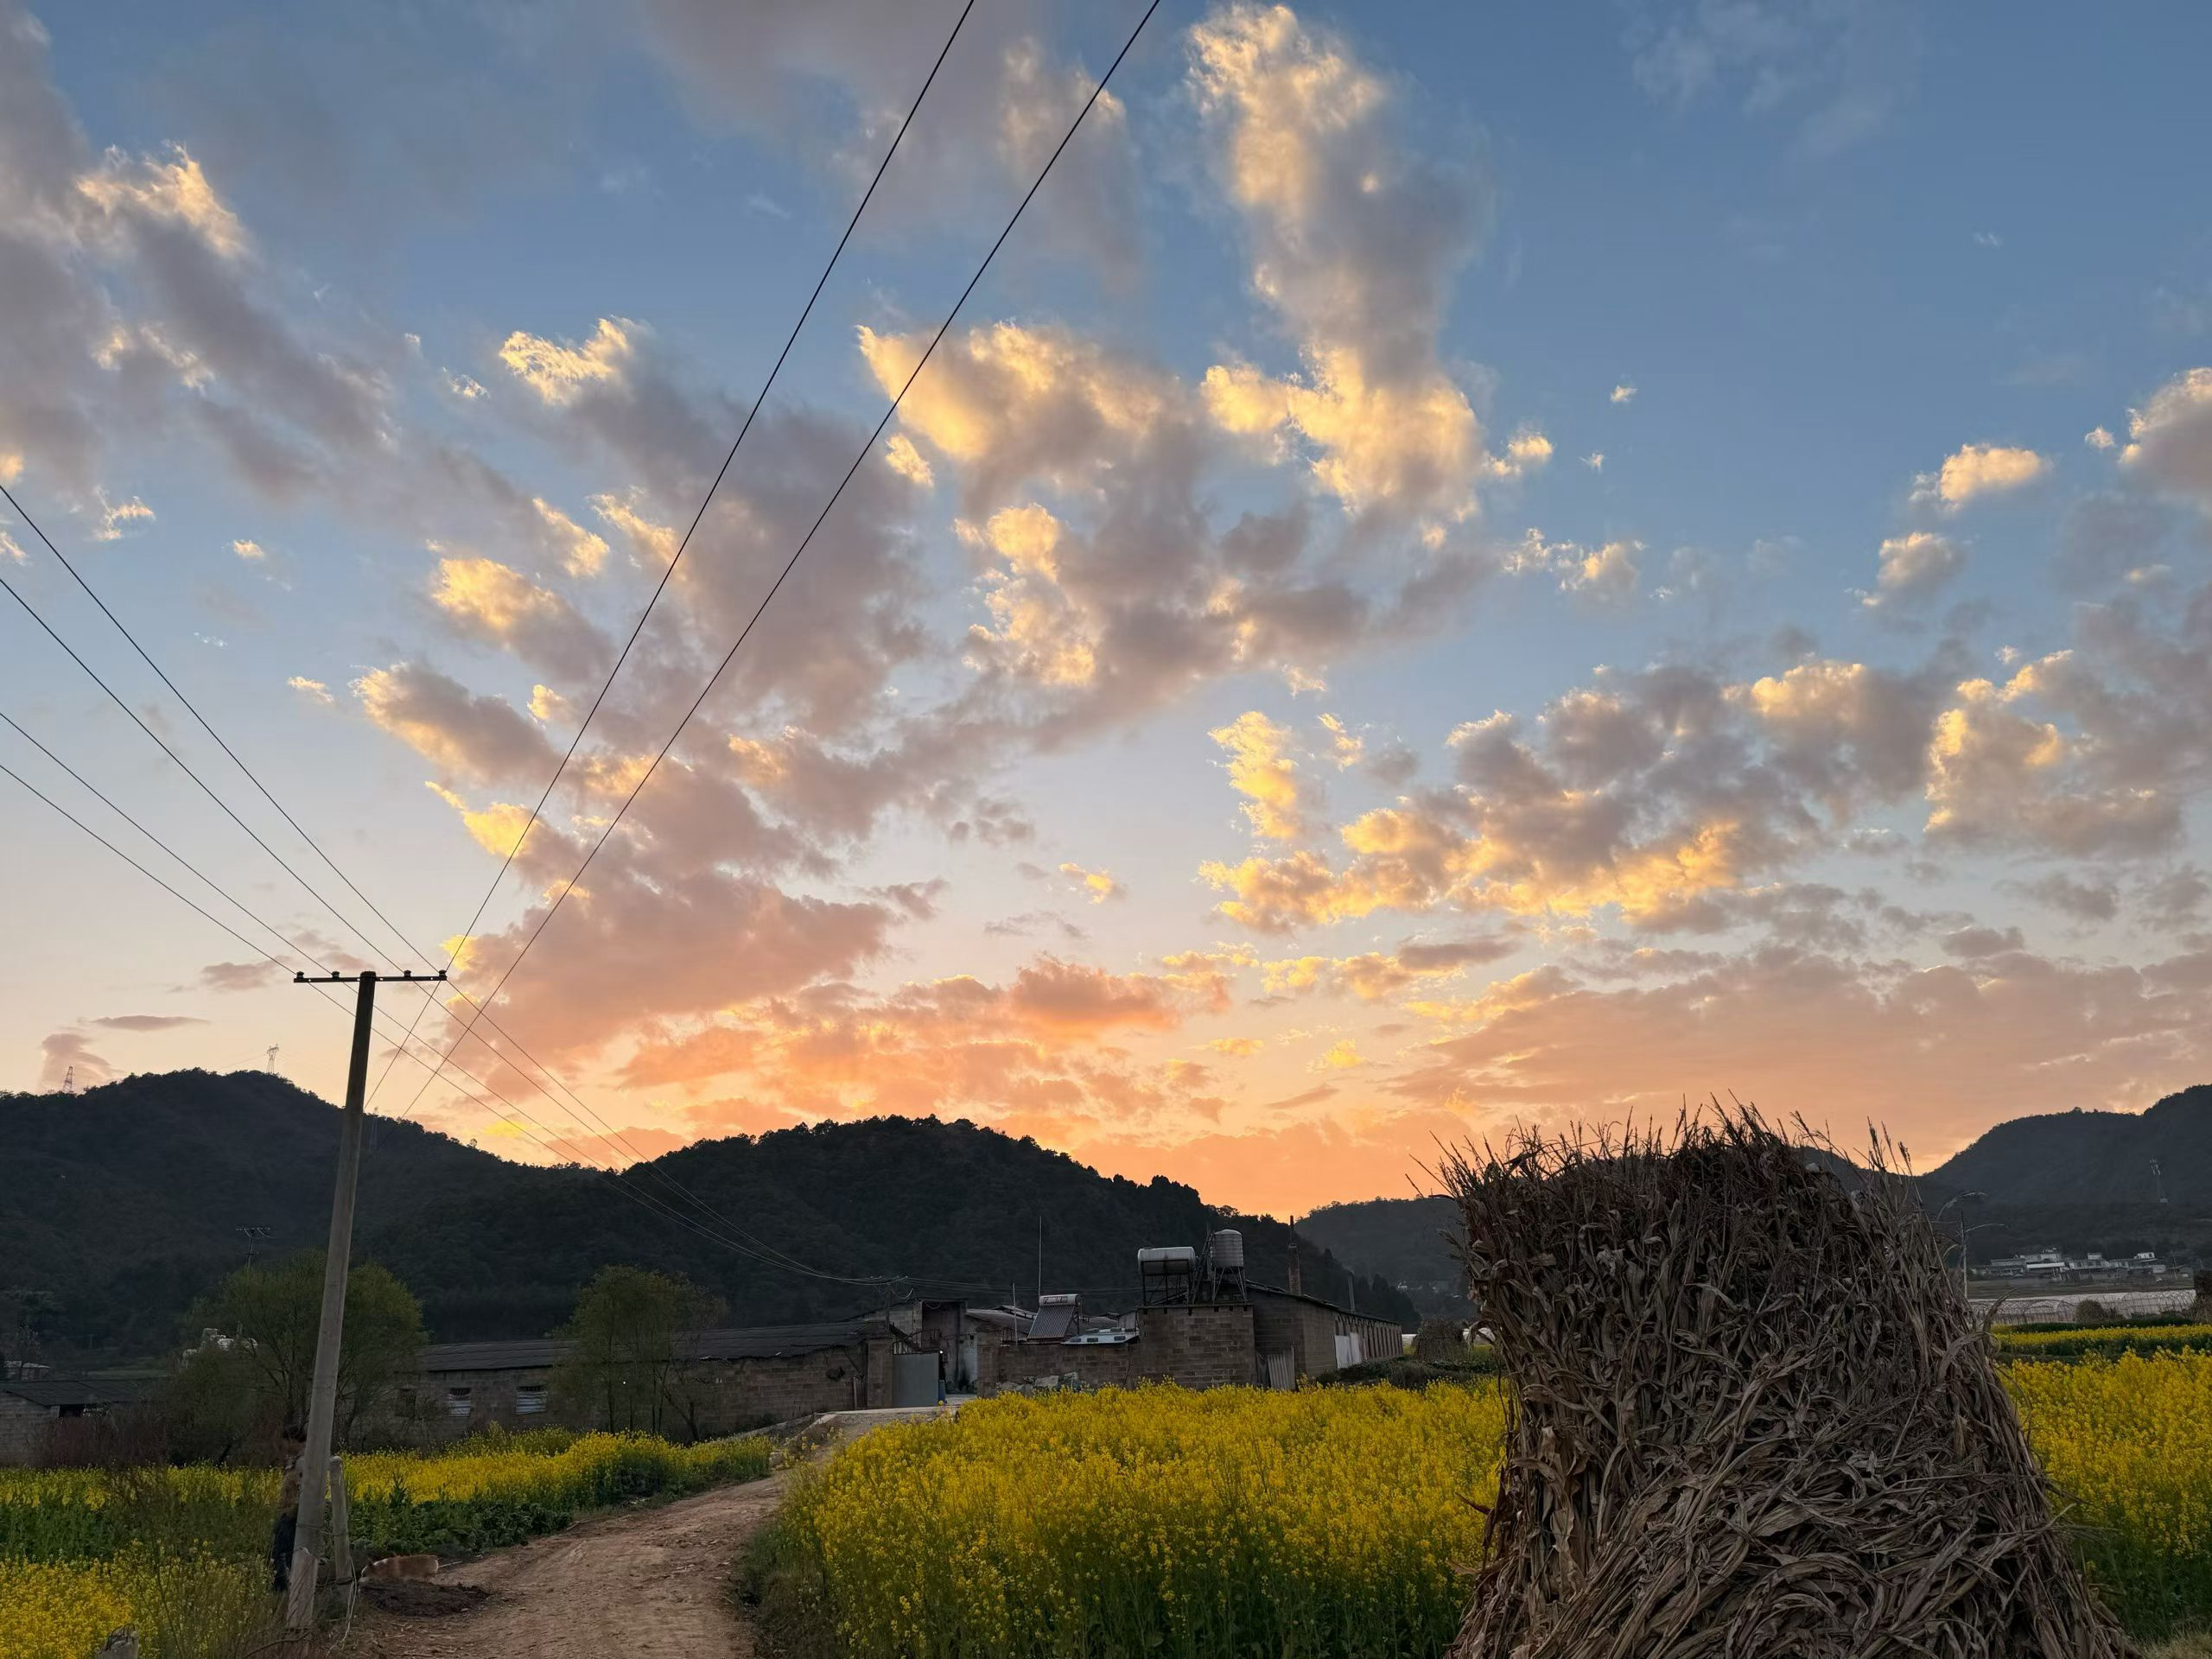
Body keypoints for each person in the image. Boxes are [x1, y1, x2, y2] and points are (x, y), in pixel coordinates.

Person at [270, 1421, 306, 1594]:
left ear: (291, 1440)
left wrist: (290, 1516)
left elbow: (304, 1493)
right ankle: (285, 1592)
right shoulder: (296, 1460)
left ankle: (285, 1593)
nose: (282, 1446)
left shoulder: (302, 1462)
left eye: (284, 1441)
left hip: (291, 1518)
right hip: (288, 1516)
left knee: (282, 1557)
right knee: (280, 1555)